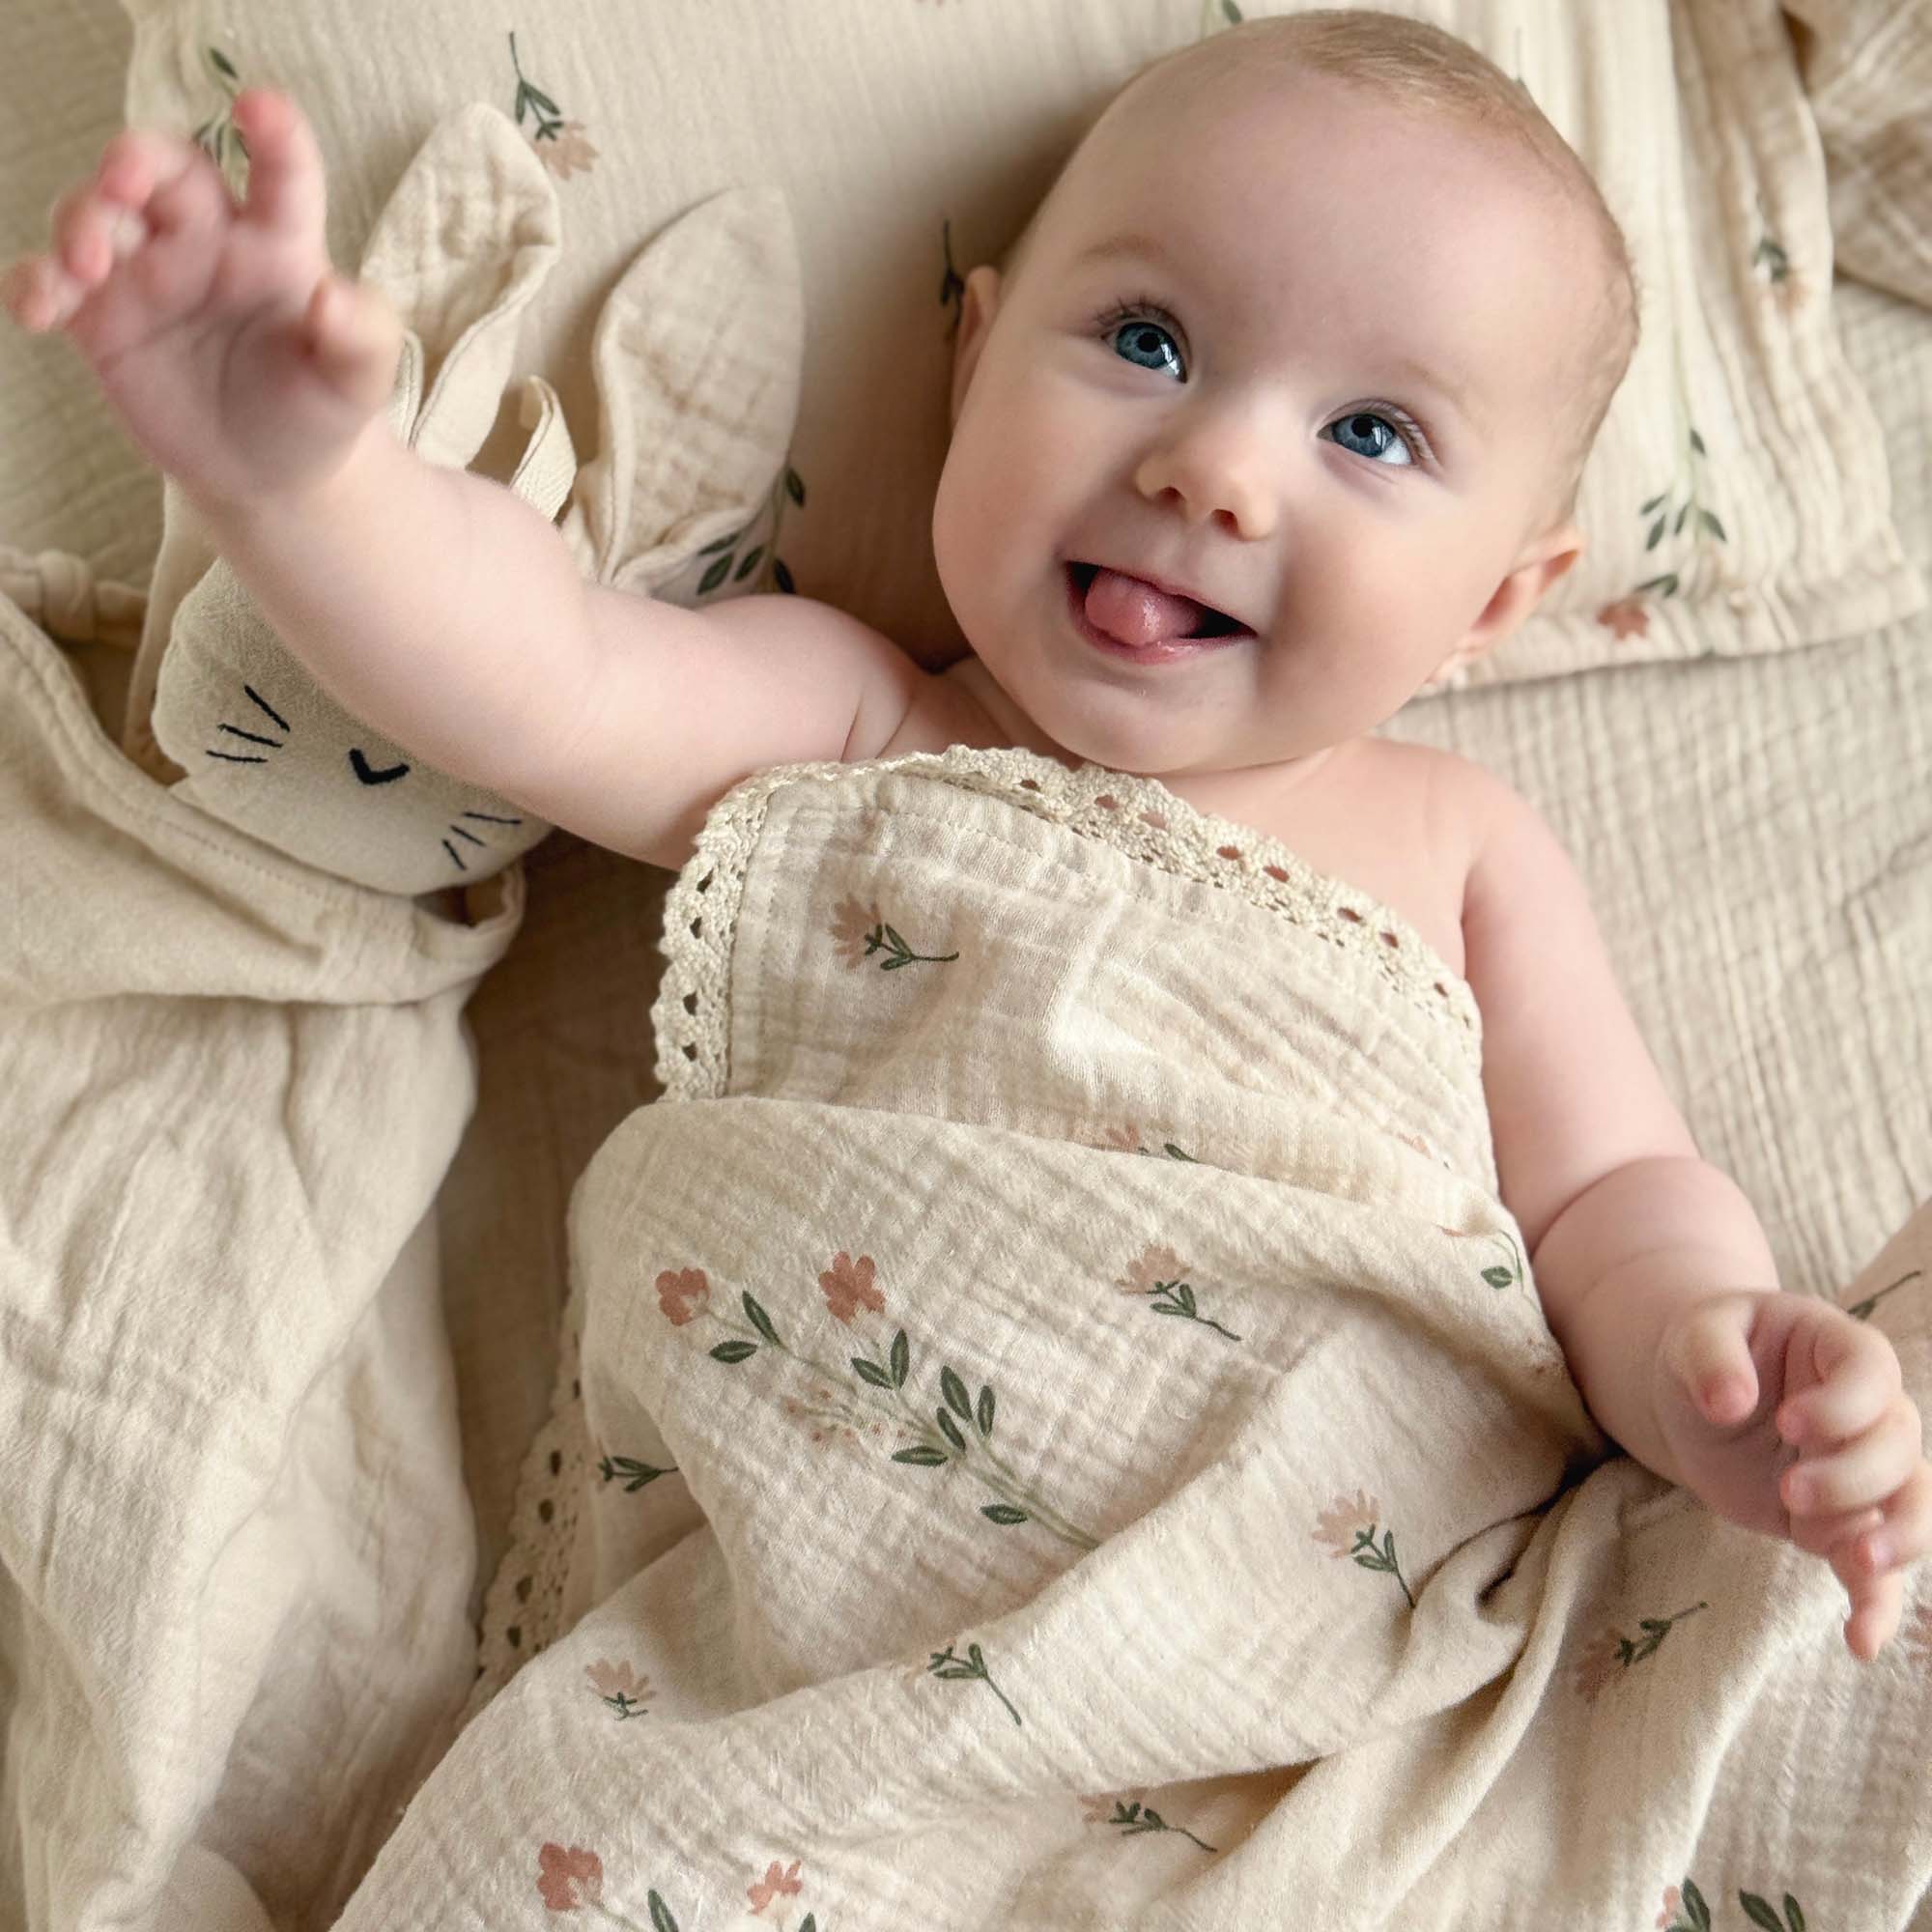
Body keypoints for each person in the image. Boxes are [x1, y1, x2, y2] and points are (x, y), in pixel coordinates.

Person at [7, 9, 1925, 1659]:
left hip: (1322, 1612)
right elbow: (542, 672)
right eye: (1148, 340)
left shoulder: (1461, 844)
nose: (1214, 467)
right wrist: (305, 479)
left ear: (1496, 602)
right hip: (836, 1622)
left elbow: (1609, 1197)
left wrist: (1720, 1368)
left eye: (1370, 434)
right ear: (971, 361)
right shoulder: (859, 722)